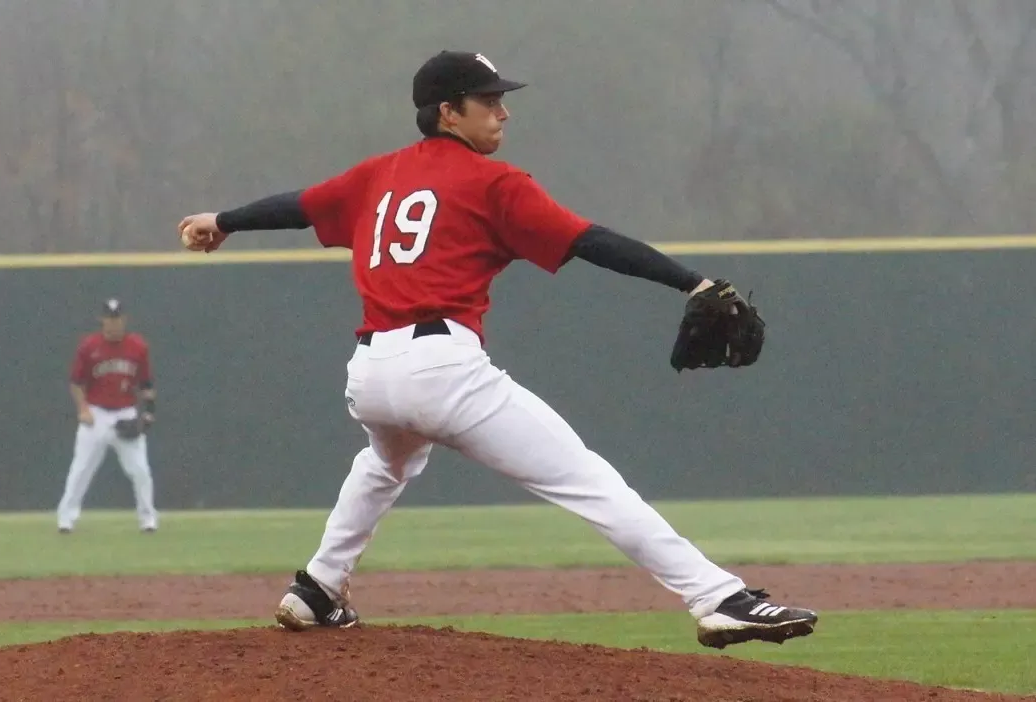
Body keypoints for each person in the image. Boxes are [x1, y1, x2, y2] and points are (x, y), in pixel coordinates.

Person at [177, 50, 817, 649]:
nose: (503, 111)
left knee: (385, 463)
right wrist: (692, 280)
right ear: (447, 113)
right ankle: (717, 597)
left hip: (371, 372)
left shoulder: (380, 174)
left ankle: (317, 587)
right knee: (586, 478)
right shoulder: (494, 183)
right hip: (442, 367)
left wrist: (224, 220)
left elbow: (297, 206)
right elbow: (591, 240)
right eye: (486, 100)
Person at [56, 298, 159, 534]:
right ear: (102, 320)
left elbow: (146, 383)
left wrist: (149, 414)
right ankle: (66, 519)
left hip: (125, 413)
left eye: (118, 319)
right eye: (109, 319)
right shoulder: (89, 346)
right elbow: (76, 383)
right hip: (96, 413)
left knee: (140, 470)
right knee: (81, 469)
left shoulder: (138, 346)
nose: (113, 324)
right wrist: (83, 409)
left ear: (124, 320)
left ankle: (148, 520)